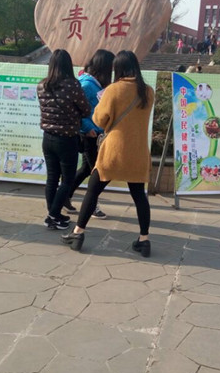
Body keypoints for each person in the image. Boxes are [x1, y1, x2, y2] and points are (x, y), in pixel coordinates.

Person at [61, 50, 155, 256]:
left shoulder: (113, 90)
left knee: (93, 191)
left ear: (118, 69)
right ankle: (144, 240)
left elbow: (99, 120)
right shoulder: (148, 91)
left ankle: (78, 233)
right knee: (139, 196)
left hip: (114, 152)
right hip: (138, 152)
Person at [37, 49, 90, 230]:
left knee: (52, 178)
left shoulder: (42, 85)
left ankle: (54, 214)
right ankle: (53, 216)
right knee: (67, 180)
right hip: (67, 138)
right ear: (68, 65)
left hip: (47, 138)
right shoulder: (73, 85)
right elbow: (86, 110)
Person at [64, 49, 115, 219]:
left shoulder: (94, 84)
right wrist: (87, 128)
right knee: (97, 173)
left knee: (87, 169)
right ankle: (92, 206)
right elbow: (75, 110)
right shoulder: (87, 85)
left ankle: (64, 195)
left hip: (96, 133)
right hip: (90, 135)